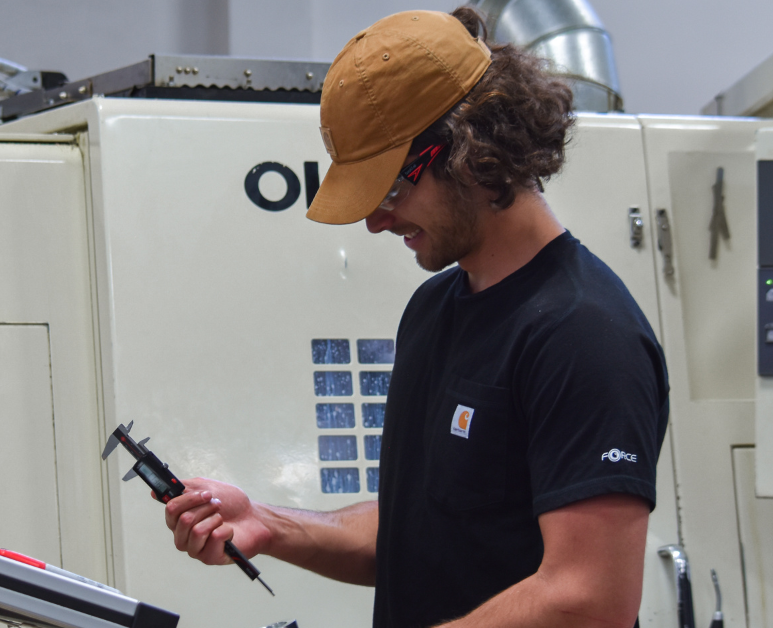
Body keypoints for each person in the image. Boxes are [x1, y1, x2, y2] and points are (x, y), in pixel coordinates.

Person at [163, 7, 669, 628]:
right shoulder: (434, 310)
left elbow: (588, 600)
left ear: (470, 149)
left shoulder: (584, 335)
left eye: (392, 190)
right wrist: (268, 524)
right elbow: (416, 530)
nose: (376, 222)